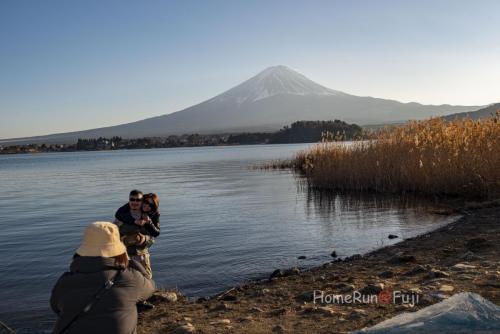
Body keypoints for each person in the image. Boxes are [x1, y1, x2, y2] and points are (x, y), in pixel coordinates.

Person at [50, 222, 155, 334]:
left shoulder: (64, 281)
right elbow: (151, 287)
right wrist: (131, 262)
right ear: (119, 251)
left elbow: (56, 307)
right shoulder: (130, 278)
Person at [114, 190, 160, 279]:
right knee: (126, 278)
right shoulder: (123, 215)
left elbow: (153, 237)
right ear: (129, 200)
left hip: (142, 254)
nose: (135, 202)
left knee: (147, 278)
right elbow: (114, 235)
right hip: (125, 255)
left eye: (138, 200)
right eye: (132, 199)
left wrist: (144, 239)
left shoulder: (149, 215)